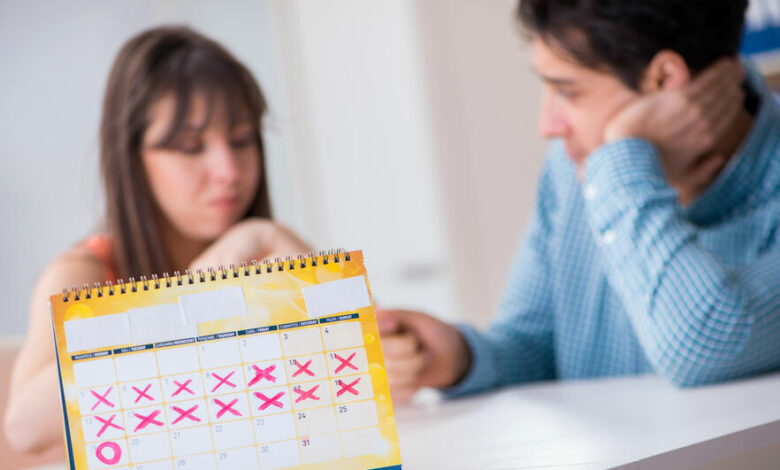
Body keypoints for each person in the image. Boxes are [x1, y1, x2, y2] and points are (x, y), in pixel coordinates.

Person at [379, 0, 780, 402]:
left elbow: (701, 345)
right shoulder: (573, 166)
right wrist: (459, 358)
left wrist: (625, 169)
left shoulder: (606, 169)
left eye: (568, 91)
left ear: (664, 80)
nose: (547, 126)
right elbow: (531, 348)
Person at [4, 26, 311, 454]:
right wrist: (195, 292)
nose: (229, 171)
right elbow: (23, 428)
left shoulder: (267, 248)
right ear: (132, 160)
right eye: (189, 146)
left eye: (242, 140)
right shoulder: (84, 273)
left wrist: (425, 351)